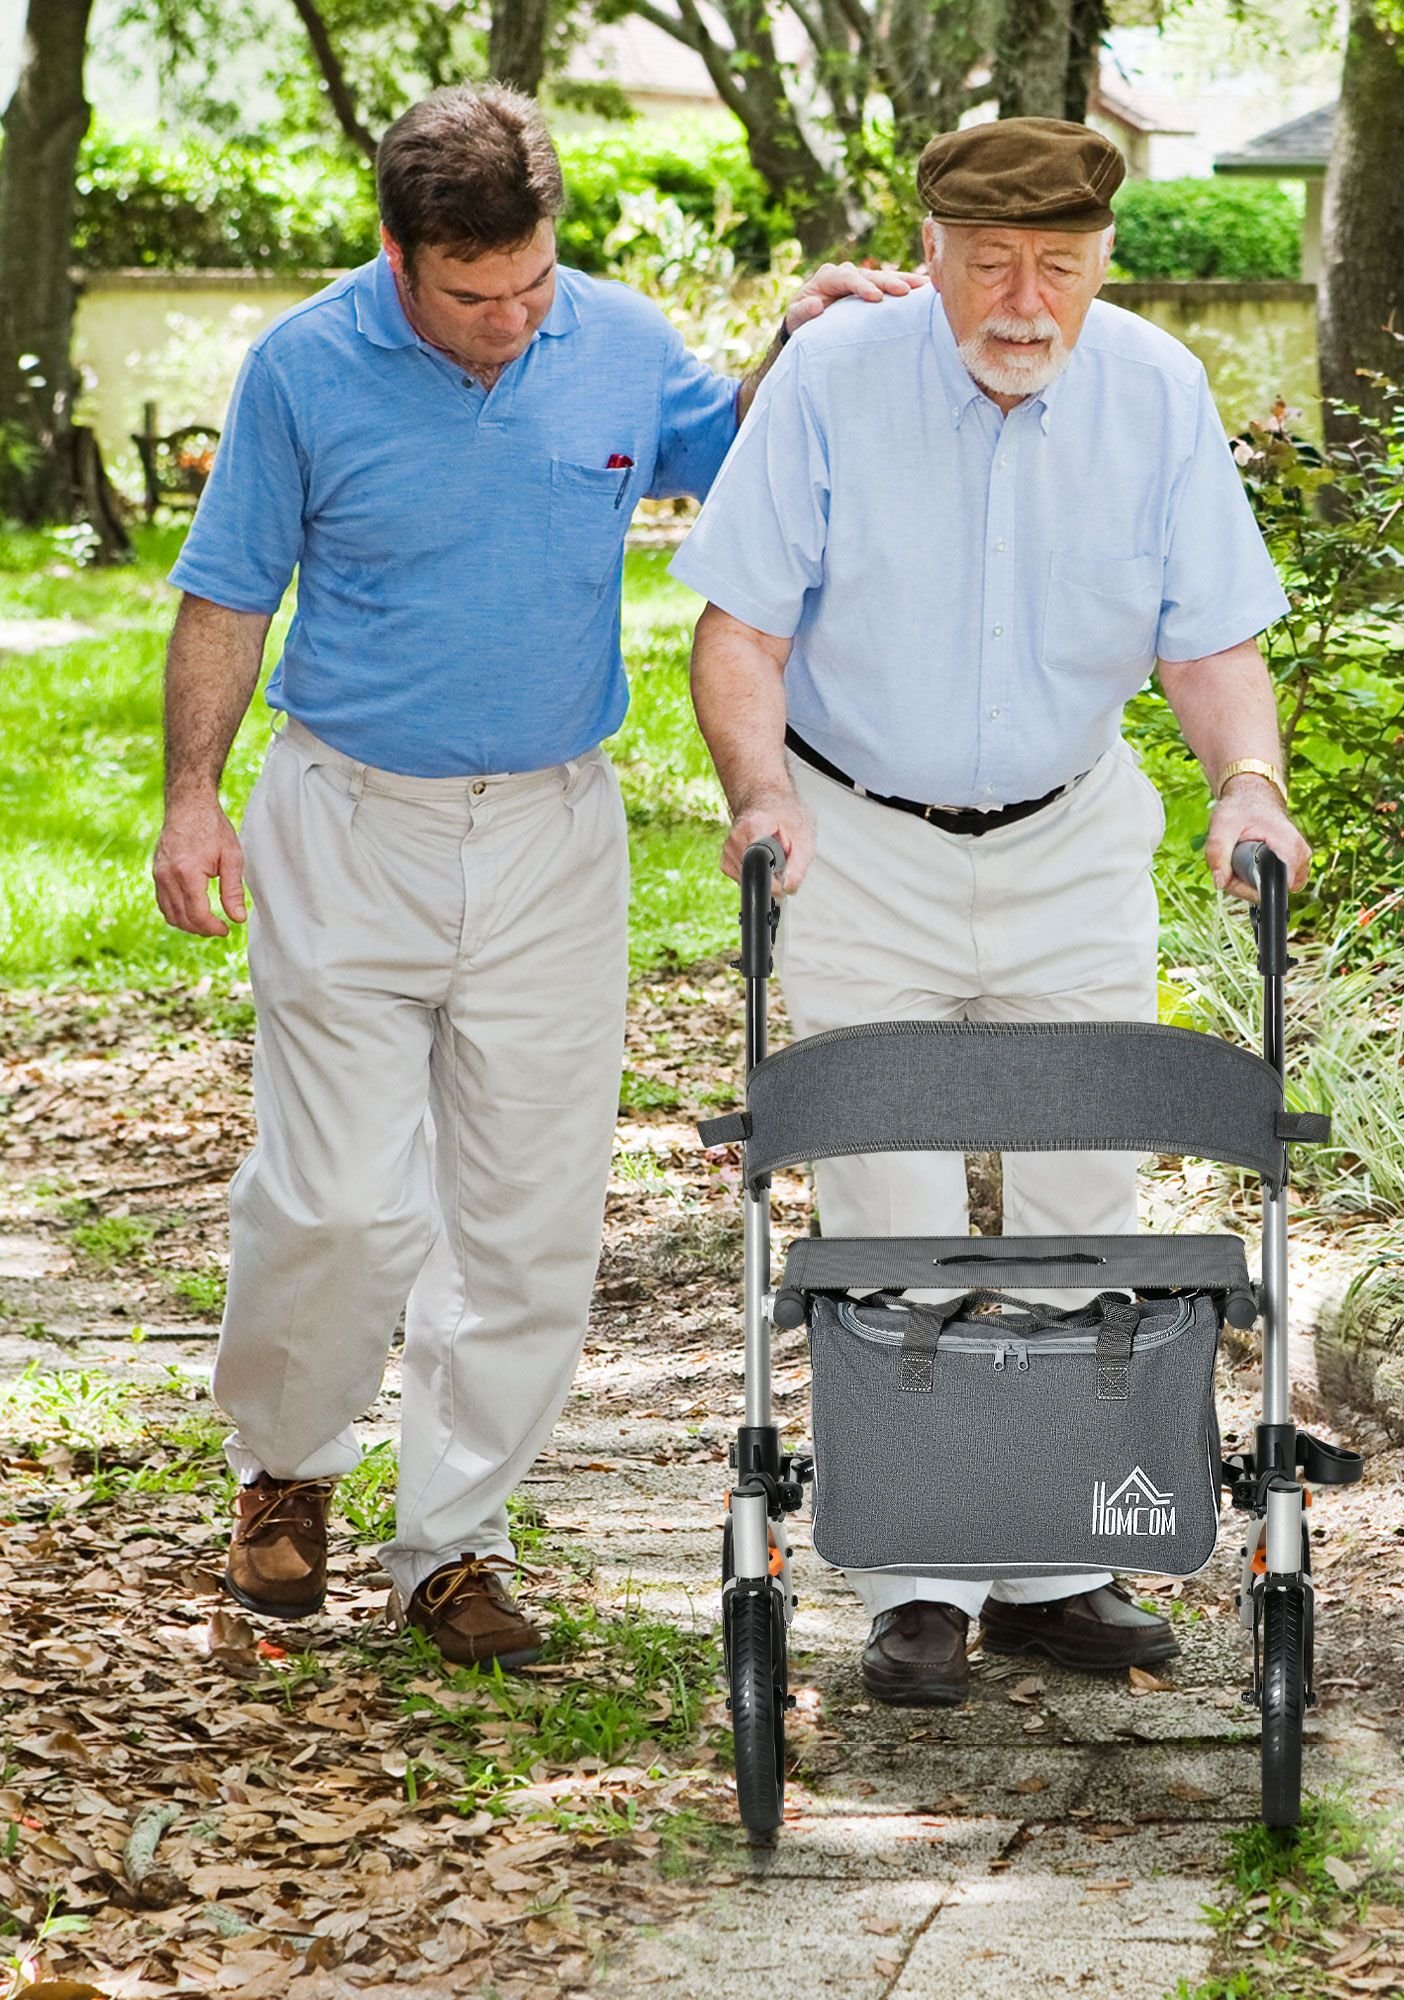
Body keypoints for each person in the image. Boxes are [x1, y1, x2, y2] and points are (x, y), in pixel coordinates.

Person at [151, 81, 918, 1670]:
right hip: (349, 819)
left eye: (530, 285)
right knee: (341, 1201)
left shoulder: (615, 337)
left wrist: (801, 339)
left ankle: (454, 1541)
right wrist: (192, 797)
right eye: (469, 295)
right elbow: (228, 593)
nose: (508, 321)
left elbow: (730, 450)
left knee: (528, 1217)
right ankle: (284, 1467)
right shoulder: (304, 363)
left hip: (555, 832)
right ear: (396, 254)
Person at [671, 116, 1311, 1707]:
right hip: (857, 837)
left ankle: (1053, 1560)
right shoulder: (831, 382)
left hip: (1070, 837)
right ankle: (917, 1576)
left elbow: (1208, 641)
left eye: (1062, 268)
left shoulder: (1156, 389)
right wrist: (760, 793)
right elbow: (739, 632)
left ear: (1104, 263)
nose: (1027, 304)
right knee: (886, 1209)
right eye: (995, 264)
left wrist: (1248, 783)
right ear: (933, 255)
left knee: (1079, 1201)